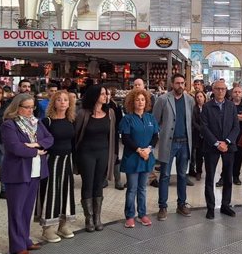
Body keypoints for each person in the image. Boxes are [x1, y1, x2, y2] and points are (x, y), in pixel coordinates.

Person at [0, 93, 53, 254]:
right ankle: (16, 245)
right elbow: (15, 147)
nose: (30, 110)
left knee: (27, 209)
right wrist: (36, 151)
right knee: (16, 210)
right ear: (17, 107)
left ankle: (25, 239)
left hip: (35, 171)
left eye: (32, 107)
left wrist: (34, 144)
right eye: (27, 107)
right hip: (17, 173)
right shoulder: (9, 125)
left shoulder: (36, 123)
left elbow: (49, 139)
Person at [152, 73, 195, 220]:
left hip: (184, 143)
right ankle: (162, 207)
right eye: (177, 83)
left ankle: (181, 204)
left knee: (183, 175)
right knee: (164, 175)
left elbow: (192, 121)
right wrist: (159, 136)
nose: (180, 86)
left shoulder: (190, 100)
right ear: (172, 84)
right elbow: (155, 121)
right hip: (169, 143)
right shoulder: (163, 100)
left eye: (182, 83)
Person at [74, 85, 116, 232]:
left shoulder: (110, 113)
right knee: (88, 183)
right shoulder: (82, 114)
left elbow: (113, 136)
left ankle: (97, 217)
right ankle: (88, 217)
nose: (106, 96)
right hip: (86, 153)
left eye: (107, 94)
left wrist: (114, 156)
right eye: (103, 94)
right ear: (95, 96)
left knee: (99, 183)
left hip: (103, 152)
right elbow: (76, 135)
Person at [36, 90, 76, 243]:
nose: (63, 102)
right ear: (54, 103)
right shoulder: (47, 121)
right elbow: (41, 141)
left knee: (66, 192)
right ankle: (48, 229)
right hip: (51, 160)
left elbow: (73, 142)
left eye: (66, 100)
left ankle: (63, 224)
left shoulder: (71, 120)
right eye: (59, 100)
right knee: (51, 192)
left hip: (67, 160)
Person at [120, 88, 159, 228]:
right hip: (132, 157)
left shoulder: (150, 118)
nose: (140, 102)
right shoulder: (127, 119)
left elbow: (155, 136)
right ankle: (130, 216)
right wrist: (138, 150)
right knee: (132, 188)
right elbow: (125, 138)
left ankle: (142, 214)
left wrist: (148, 149)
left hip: (147, 157)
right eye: (137, 100)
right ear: (132, 102)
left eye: (143, 99)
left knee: (143, 188)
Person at [200, 80, 239, 219]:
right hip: (212, 146)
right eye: (218, 89)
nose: (221, 91)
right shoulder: (207, 107)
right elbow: (204, 128)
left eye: (223, 89)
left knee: (228, 177)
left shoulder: (231, 106)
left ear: (226, 90)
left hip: (229, 146)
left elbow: (236, 127)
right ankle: (210, 207)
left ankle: (225, 205)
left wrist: (227, 141)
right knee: (210, 178)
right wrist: (217, 143)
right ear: (213, 90)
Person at [190, 91, 207, 181]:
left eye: (201, 96)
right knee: (198, 154)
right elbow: (193, 121)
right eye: (197, 97)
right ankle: (198, 171)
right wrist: (200, 129)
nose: (199, 98)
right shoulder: (194, 109)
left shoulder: (208, 108)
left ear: (204, 97)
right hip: (197, 134)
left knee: (206, 154)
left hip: (207, 135)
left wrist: (205, 131)